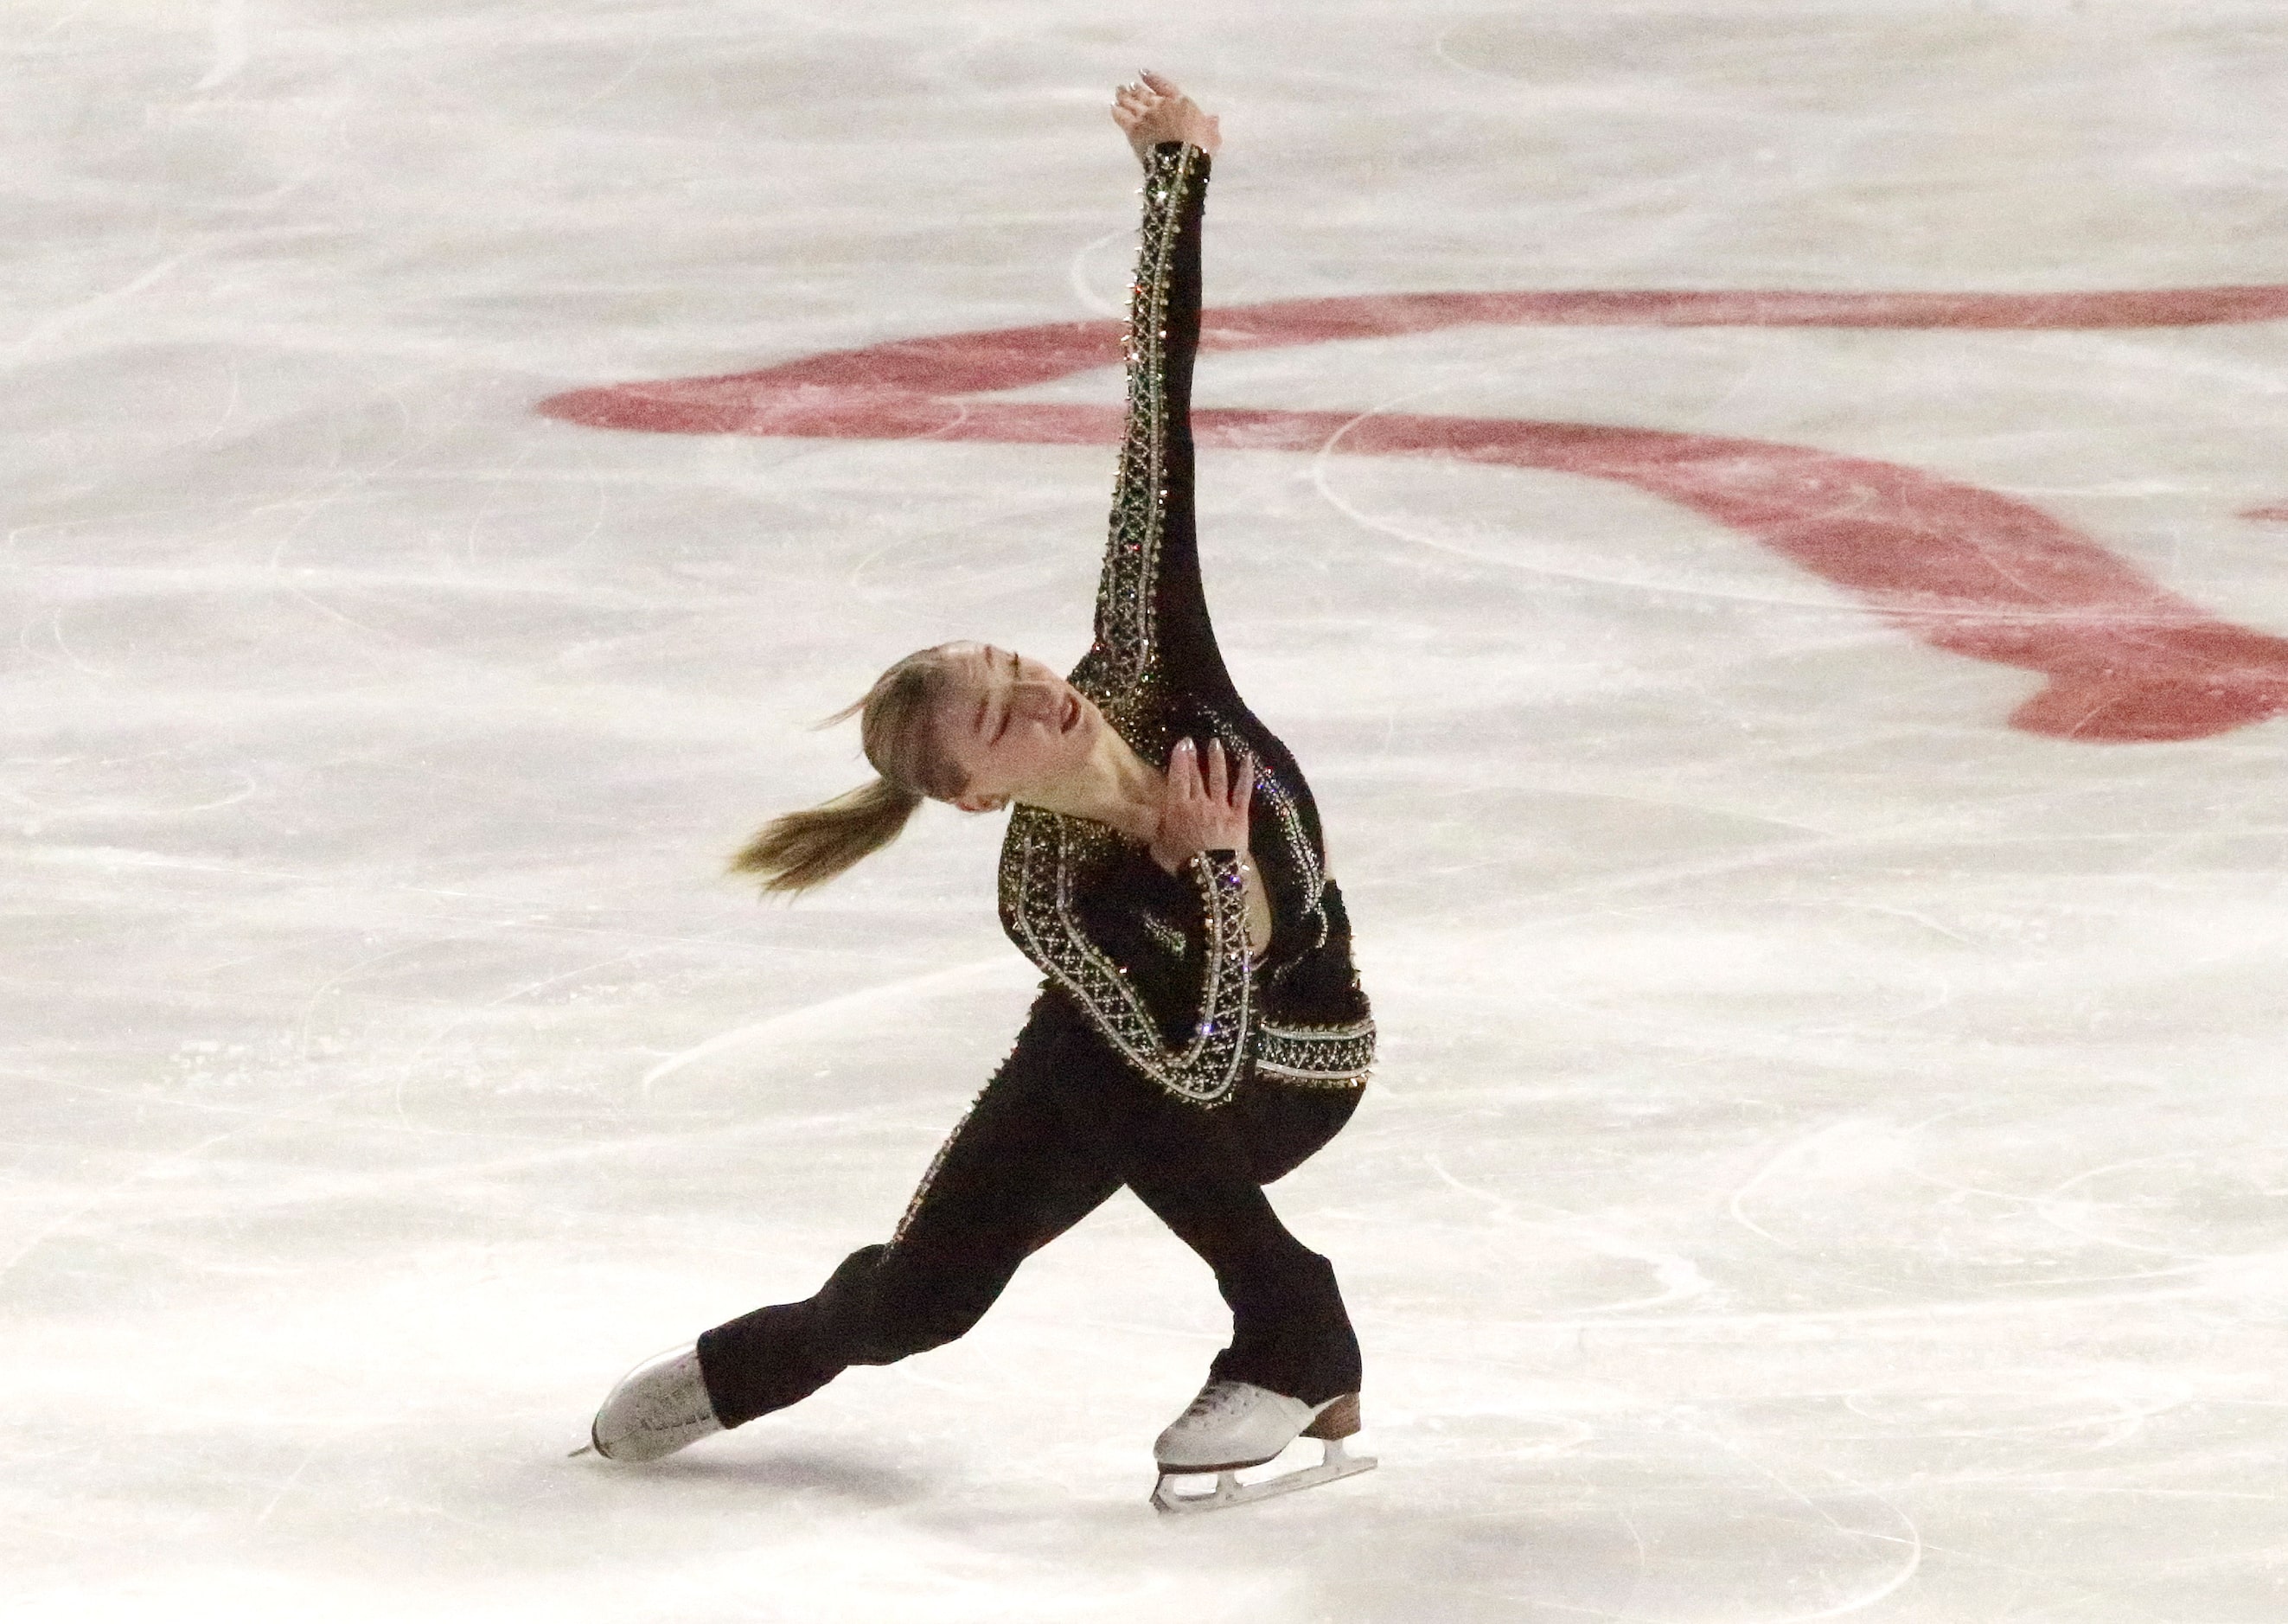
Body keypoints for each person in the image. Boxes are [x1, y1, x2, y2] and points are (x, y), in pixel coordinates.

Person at [582, 74, 1377, 1511]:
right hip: (1167, 1067)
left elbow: (1156, 426)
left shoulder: (1147, 655)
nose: (1036, 694)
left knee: (1094, 1062)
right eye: (998, 719)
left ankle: (1293, 1323)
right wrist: (1201, 867)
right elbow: (1175, 1063)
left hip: (1300, 1062)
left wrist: (1174, 177)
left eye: (1012, 665)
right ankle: (753, 1362)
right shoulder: (1046, 891)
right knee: (915, 1300)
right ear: (972, 793)